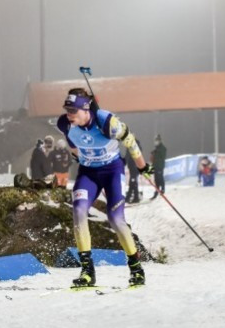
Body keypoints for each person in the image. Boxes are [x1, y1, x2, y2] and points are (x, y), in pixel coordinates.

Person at [56, 88, 153, 287]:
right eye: (67, 110)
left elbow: (131, 142)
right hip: (88, 173)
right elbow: (72, 142)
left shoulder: (108, 122)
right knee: (79, 210)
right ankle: (87, 271)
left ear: (86, 109)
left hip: (112, 171)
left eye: (73, 110)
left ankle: (136, 268)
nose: (69, 114)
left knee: (116, 219)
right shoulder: (64, 123)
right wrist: (78, 155)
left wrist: (143, 166)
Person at [125, 139, 142, 204]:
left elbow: (137, 154)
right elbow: (127, 156)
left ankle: (134, 197)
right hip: (132, 166)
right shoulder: (128, 145)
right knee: (132, 182)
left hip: (135, 166)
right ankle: (131, 197)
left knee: (133, 181)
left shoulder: (134, 144)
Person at [149, 134, 167, 200]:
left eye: (157, 140)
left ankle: (163, 188)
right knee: (156, 180)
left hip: (160, 166)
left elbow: (163, 156)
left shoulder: (162, 148)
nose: (155, 142)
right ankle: (156, 191)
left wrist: (156, 152)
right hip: (155, 166)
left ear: (159, 141)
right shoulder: (156, 148)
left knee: (160, 178)